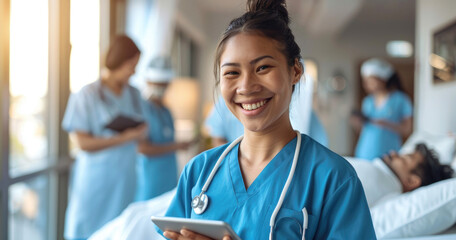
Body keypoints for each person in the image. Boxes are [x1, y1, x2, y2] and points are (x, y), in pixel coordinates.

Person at [158, 1, 376, 239]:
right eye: (232, 72)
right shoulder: (199, 172)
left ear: (295, 71)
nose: (246, 86)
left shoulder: (334, 179)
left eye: (262, 68)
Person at [62, 35, 148, 239]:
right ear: (118, 61)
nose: (134, 72)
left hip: (124, 181)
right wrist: (126, 137)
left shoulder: (135, 95)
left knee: (120, 231)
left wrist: (138, 133)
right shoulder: (86, 95)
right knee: (87, 232)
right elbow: (83, 143)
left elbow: (143, 131)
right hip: (94, 182)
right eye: (131, 65)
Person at [135, 56, 195, 201]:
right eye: (157, 84)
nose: (161, 88)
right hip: (149, 180)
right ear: (148, 81)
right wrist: (176, 146)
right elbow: (142, 148)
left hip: (168, 177)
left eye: (164, 84)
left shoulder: (166, 111)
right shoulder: (142, 109)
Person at [348, 143, 454, 207]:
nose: (393, 153)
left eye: (404, 158)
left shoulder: (387, 193)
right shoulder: (377, 172)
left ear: (412, 181)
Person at [351, 58, 413, 160]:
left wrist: (386, 124)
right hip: (365, 151)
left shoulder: (400, 99)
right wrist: (357, 123)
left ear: (383, 80)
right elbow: (362, 129)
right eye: (365, 81)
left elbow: (407, 129)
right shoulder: (368, 101)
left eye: (371, 81)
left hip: (388, 153)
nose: (367, 85)